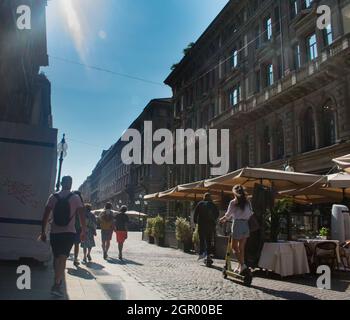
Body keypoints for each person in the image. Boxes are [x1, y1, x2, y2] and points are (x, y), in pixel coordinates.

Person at [40, 176, 86, 297]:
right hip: (69, 232)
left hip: (55, 232)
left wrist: (43, 231)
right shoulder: (75, 198)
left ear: (61, 183)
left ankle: (57, 280)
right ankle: (57, 284)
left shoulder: (53, 197)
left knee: (57, 257)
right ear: (70, 184)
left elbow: (45, 216)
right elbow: (82, 216)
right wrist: (83, 231)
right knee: (63, 258)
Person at [220, 185, 253, 274]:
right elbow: (250, 214)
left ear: (234, 193)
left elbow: (228, 215)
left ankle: (242, 265)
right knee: (241, 248)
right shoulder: (248, 202)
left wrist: (222, 219)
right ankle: (240, 267)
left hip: (237, 224)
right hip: (246, 225)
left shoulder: (233, 202)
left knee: (234, 247)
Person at [193, 193, 219, 261]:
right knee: (209, 240)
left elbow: (195, 213)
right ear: (210, 198)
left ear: (204, 197)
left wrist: (195, 222)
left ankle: (202, 253)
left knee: (202, 239)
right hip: (210, 226)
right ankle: (208, 255)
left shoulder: (200, 203)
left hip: (202, 225)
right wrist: (214, 221)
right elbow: (217, 213)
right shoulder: (213, 204)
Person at [72, 191, 83, 267]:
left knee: (68, 243)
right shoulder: (82, 205)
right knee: (76, 244)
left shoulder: (70, 202)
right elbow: (83, 218)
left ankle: (64, 258)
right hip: (78, 227)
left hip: (68, 226)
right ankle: (75, 259)